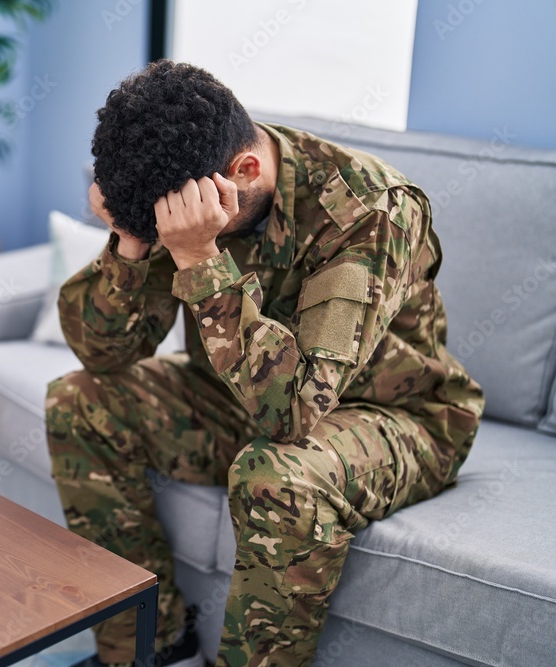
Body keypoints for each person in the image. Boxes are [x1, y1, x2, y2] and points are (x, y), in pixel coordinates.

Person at [45, 60, 484, 667]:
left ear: (245, 171)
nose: (172, 231)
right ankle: (145, 645)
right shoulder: (180, 187)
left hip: (396, 417)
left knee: (275, 473)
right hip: (239, 396)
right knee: (77, 402)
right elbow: (101, 354)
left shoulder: (370, 212)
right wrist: (131, 243)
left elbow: (295, 412)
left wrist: (198, 256)